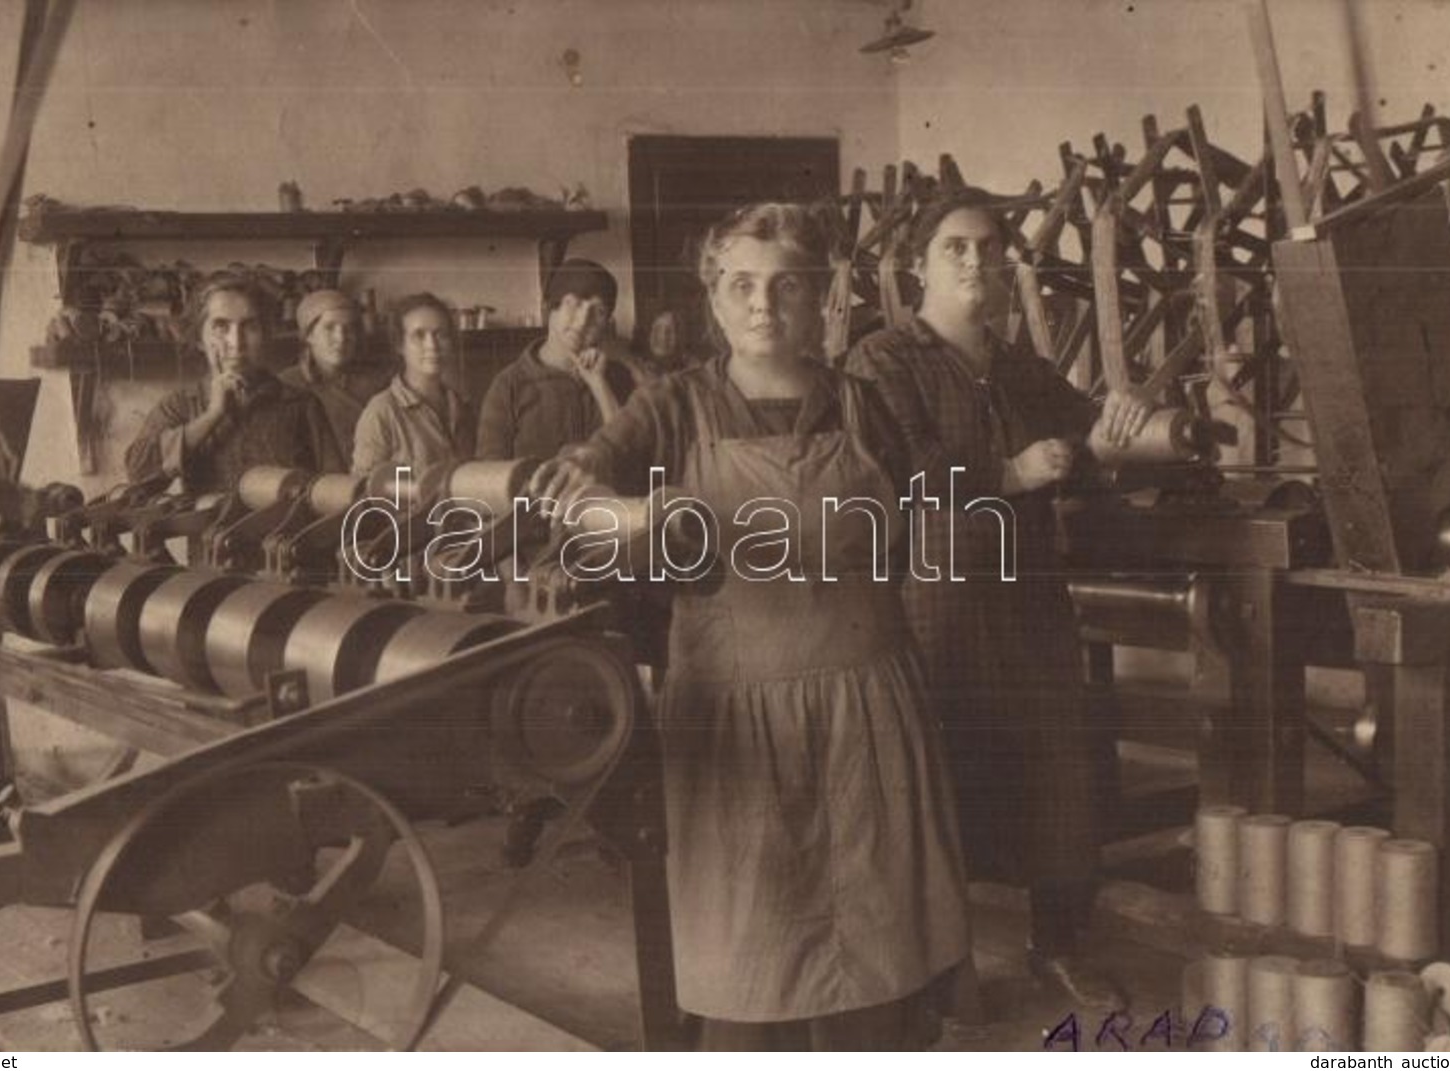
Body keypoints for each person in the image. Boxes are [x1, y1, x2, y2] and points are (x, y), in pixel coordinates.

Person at [531, 203, 968, 1050]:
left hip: (868, 711)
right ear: (714, 299)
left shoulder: (864, 404)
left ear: (819, 299)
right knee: (749, 956)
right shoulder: (670, 406)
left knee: (878, 953)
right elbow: (590, 484)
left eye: (786, 285)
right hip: (735, 722)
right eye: (741, 285)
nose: (762, 304)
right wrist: (593, 476)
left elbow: (934, 516)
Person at [846, 188, 1150, 1010]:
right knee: (937, 778)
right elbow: (896, 470)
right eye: (955, 247)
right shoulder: (882, 359)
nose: (975, 261)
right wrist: (1011, 474)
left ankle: (1056, 944)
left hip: (1029, 593)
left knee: (1060, 768)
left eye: (987, 248)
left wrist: (1114, 433)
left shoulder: (1016, 363)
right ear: (917, 265)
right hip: (933, 595)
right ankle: (943, 968)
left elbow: (1081, 443)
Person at [125, 272, 344, 493]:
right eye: (221, 327)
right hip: (210, 528)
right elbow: (138, 474)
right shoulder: (180, 405)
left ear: (266, 335)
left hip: (285, 527)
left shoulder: (300, 404)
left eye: (249, 327)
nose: (236, 342)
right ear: (200, 339)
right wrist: (212, 415)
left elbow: (337, 491)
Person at [476, 258, 631, 460]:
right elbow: (488, 474)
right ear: (548, 308)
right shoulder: (508, 386)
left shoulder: (619, 378)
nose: (583, 321)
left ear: (606, 324)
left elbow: (634, 457)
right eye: (573, 303)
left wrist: (600, 385)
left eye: (599, 311)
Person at [351, 291, 475, 478]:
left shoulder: (463, 406)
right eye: (419, 335)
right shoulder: (381, 412)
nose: (432, 345)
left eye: (440, 334)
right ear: (400, 345)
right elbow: (363, 495)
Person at [278, 287, 389, 462]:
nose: (341, 337)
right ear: (309, 335)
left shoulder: (377, 382)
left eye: (349, 329)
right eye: (329, 328)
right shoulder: (286, 386)